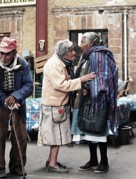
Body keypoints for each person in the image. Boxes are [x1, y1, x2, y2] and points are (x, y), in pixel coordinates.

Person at [37, 39, 96, 173]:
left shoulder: (62, 62)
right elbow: (61, 85)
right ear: (64, 53)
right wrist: (82, 80)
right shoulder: (54, 64)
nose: (74, 53)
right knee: (56, 135)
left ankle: (51, 160)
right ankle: (52, 164)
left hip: (57, 103)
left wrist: (80, 86)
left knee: (56, 135)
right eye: (71, 51)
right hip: (54, 104)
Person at [71, 32, 118, 174]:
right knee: (89, 129)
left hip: (98, 99)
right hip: (88, 99)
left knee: (98, 129)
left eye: (83, 40)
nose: (80, 43)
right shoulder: (87, 56)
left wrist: (90, 89)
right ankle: (93, 160)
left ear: (91, 43)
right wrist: (84, 87)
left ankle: (104, 162)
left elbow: (102, 77)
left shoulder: (98, 55)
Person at [0, 37, 33, 178]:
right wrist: (5, 100)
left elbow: (28, 86)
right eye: (2, 53)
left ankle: (17, 167)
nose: (4, 56)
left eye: (7, 53)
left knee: (20, 135)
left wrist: (16, 96)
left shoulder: (23, 64)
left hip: (17, 100)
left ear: (14, 52)